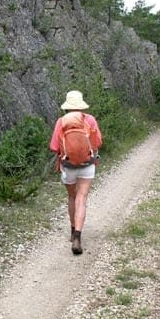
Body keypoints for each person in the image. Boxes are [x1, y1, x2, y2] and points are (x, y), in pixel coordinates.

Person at [49, 90, 102, 255]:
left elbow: (54, 147)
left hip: (68, 166)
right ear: (81, 106)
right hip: (87, 165)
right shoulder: (90, 120)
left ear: (67, 107)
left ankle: (72, 231)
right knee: (82, 198)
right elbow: (98, 142)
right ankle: (79, 235)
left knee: (72, 197)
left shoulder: (61, 121)